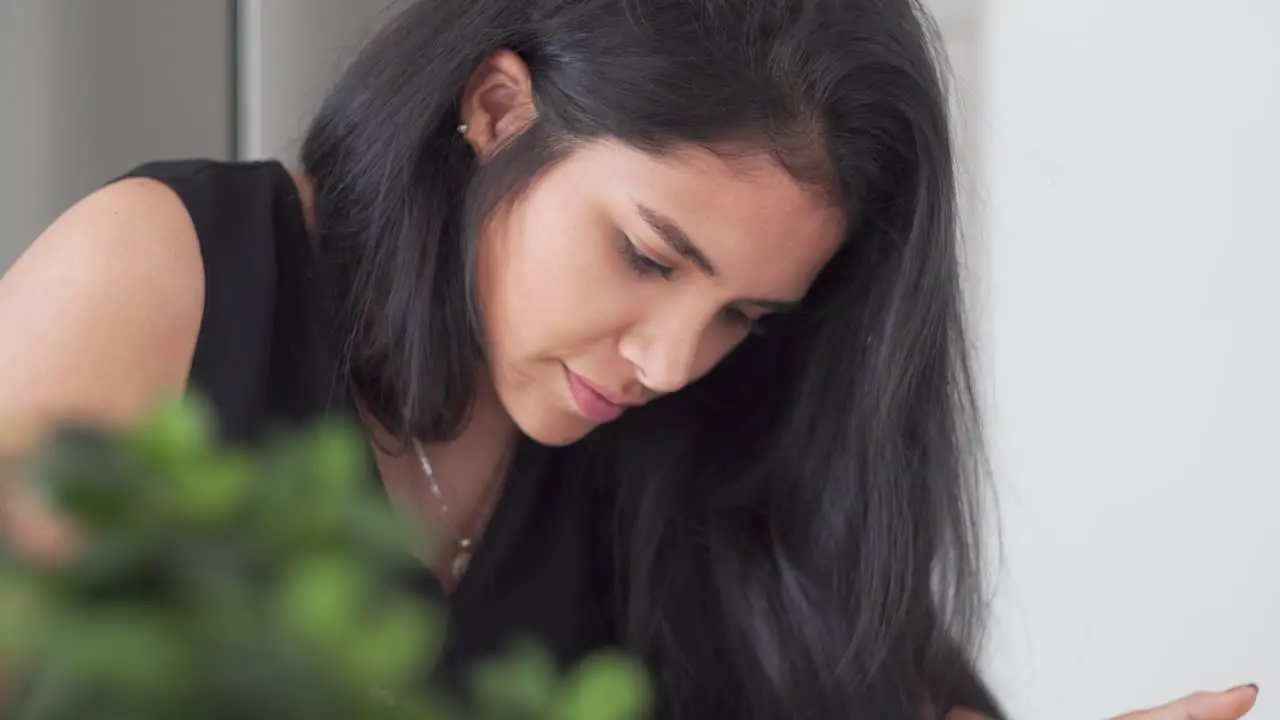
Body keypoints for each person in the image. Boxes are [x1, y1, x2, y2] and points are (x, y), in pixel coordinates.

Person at [0, 0, 1260, 718]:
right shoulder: (164, 280)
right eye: (648, 258)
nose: (668, 361)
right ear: (498, 109)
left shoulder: (702, 441)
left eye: (743, 317)